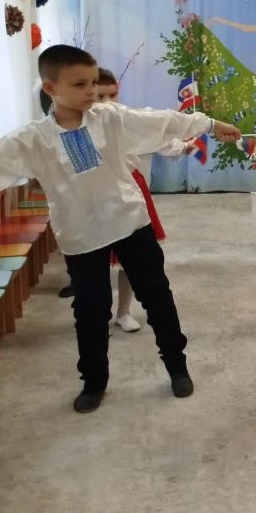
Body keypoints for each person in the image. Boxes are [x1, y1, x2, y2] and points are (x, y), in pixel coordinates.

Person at [0, 45, 242, 413]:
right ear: (51, 88)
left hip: (130, 223)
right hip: (81, 237)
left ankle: (177, 367)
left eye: (94, 82)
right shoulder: (33, 140)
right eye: (80, 84)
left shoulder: (109, 119)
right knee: (91, 311)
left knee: (157, 297)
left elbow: (158, 120)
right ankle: (94, 382)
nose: (91, 91)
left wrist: (209, 125)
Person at [95, 69, 192, 333]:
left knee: (133, 259)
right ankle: (98, 315)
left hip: (130, 189)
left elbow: (154, 135)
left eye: (112, 95)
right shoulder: (80, 126)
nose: (108, 102)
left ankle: (123, 312)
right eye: (100, 96)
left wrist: (181, 147)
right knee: (97, 260)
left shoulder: (125, 119)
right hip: (97, 194)